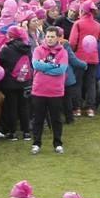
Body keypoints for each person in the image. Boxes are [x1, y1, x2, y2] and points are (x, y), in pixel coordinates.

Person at [30, 25, 70, 155]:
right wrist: (52, 66)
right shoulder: (38, 50)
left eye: (53, 36)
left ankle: (57, 143)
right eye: (48, 36)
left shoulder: (63, 52)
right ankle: (36, 143)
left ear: (58, 37)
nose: (50, 39)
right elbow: (36, 64)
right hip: (39, 90)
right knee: (38, 119)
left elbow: (61, 69)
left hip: (55, 91)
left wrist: (44, 69)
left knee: (56, 119)